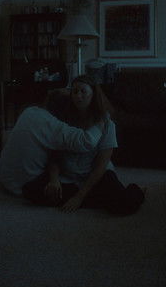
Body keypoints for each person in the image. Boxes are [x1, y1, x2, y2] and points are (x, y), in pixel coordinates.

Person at [22, 75, 145, 216]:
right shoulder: (64, 119)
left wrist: (79, 197)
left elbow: (101, 165)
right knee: (29, 191)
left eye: (83, 91)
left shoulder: (106, 124)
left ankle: (138, 190)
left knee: (124, 204)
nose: (78, 96)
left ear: (93, 94)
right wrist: (54, 180)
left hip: (96, 176)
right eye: (74, 92)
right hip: (68, 175)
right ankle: (100, 200)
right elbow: (55, 154)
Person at [0, 95, 106, 197]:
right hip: (24, 184)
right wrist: (101, 121)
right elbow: (86, 141)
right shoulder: (53, 125)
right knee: (68, 178)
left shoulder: (29, 111)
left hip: (5, 178)